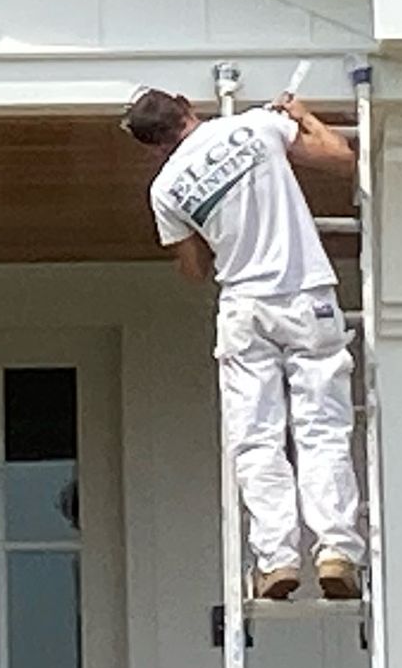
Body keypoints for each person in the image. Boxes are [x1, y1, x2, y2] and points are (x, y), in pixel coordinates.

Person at [121, 85, 362, 600]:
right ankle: (336, 551)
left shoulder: (164, 190)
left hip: (244, 308)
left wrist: (203, 230)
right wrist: (303, 114)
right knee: (322, 428)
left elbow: (194, 270)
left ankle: (276, 560)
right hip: (304, 295)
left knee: (256, 438)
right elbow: (341, 159)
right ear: (186, 106)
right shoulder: (253, 126)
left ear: (153, 145)